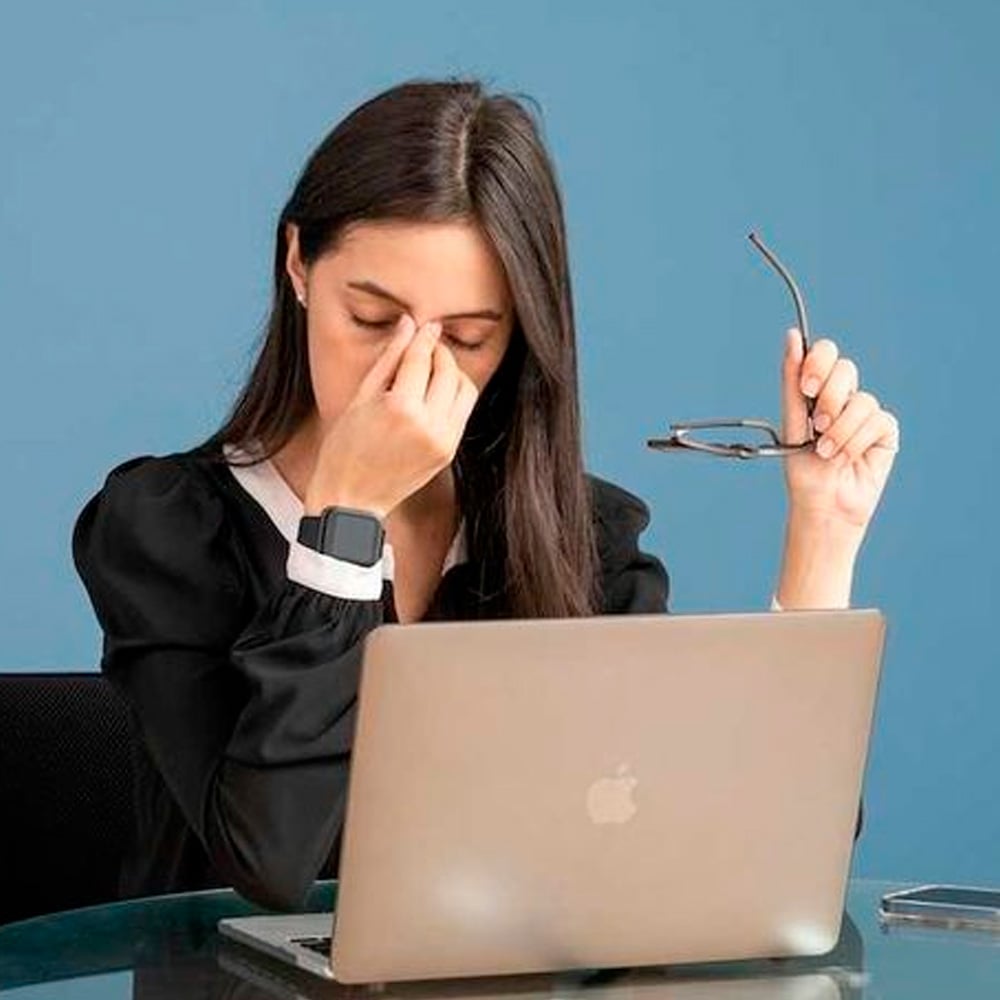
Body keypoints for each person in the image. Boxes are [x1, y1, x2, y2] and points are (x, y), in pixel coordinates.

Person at [71, 78, 900, 912]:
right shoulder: (168, 530)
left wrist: (822, 536)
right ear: (297, 264)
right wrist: (342, 528)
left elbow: (765, 849)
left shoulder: (585, 538)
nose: (412, 371)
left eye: (467, 338)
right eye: (370, 318)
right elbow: (272, 864)